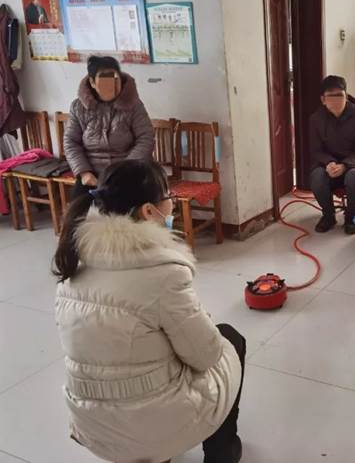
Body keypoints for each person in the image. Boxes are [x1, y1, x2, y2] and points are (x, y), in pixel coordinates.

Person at [53, 159, 245, 463]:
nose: (172, 205)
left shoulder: (74, 261)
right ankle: (222, 452)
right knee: (230, 339)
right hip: (143, 427)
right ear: (148, 211)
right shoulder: (162, 272)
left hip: (91, 424)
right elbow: (205, 355)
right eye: (168, 197)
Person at [64, 55, 154, 198]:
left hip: (126, 171)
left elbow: (146, 138)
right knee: (79, 207)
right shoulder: (78, 107)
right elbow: (70, 142)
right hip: (91, 172)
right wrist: (84, 172)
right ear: (92, 82)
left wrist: (125, 170)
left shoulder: (134, 105)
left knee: (127, 203)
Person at [309, 75, 355, 235]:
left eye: (340, 95)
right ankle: (328, 216)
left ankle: (351, 218)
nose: (337, 100)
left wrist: (345, 165)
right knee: (316, 176)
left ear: (346, 96)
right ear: (323, 99)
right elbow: (316, 150)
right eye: (331, 96)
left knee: (354, 177)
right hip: (328, 166)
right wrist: (329, 163)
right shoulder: (316, 119)